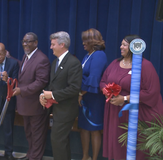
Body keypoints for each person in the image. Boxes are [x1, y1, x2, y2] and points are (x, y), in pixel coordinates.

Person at [100, 35, 163, 160]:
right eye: (121, 44)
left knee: (135, 147)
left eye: (124, 45)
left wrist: (124, 99)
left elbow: (152, 92)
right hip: (115, 112)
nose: (121, 47)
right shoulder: (115, 63)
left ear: (134, 47)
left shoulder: (145, 66)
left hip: (137, 114)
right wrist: (107, 91)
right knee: (118, 145)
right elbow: (103, 81)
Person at [40, 31, 82, 160]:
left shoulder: (73, 63)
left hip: (66, 110)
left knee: (57, 140)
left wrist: (52, 94)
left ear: (62, 44)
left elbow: (74, 89)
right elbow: (53, 85)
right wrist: (43, 95)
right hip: (57, 109)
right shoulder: (55, 62)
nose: (51, 47)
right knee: (61, 141)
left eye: (53, 44)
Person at [12, 32, 50, 160]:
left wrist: (21, 90)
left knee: (37, 135)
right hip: (26, 105)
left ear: (35, 43)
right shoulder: (26, 56)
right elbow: (25, 71)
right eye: (24, 41)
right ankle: (31, 155)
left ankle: (35, 157)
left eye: (28, 41)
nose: (25, 44)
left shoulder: (42, 59)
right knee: (29, 133)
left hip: (36, 106)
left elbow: (41, 82)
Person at [77, 28, 107, 160]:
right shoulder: (88, 55)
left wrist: (80, 93)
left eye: (85, 40)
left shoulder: (99, 55)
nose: (83, 43)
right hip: (85, 97)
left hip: (94, 98)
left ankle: (94, 158)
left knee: (94, 129)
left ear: (92, 41)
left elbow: (94, 78)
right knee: (83, 128)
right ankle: (85, 156)